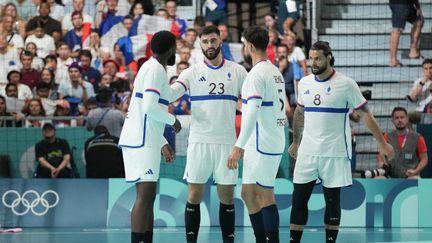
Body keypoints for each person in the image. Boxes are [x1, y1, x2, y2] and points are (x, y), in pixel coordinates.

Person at [287, 41, 394, 243]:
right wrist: (295, 142)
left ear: (329, 57)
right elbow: (300, 112)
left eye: (317, 58)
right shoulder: (305, 83)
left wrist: (381, 143)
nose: (313, 62)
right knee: (298, 200)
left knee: (332, 201)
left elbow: (366, 115)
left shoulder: (346, 84)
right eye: (311, 58)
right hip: (308, 152)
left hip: (335, 152)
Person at [169, 25, 247, 243]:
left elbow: (254, 98)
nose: (210, 45)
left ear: (220, 40)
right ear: (199, 44)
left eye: (213, 41)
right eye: (205, 42)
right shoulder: (191, 72)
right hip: (199, 142)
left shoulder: (238, 70)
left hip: (227, 144)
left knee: (227, 197)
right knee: (194, 195)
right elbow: (173, 92)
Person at [118, 30, 181, 243]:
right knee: (145, 196)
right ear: (171, 49)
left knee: (149, 196)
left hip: (146, 138)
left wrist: (162, 142)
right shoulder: (155, 70)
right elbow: (150, 108)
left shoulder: (152, 67)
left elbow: (168, 95)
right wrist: (173, 120)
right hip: (141, 140)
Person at [227, 26, 287, 243]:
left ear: (249, 46)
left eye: (244, 44)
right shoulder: (273, 70)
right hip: (268, 138)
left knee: (264, 195)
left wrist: (238, 145)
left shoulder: (255, 75)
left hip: (263, 141)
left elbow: (251, 113)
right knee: (248, 194)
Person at [377, 106, 428, 178]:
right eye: (396, 118)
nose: (399, 120)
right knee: (378, 179)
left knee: (414, 179)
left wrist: (415, 171)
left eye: (402, 117)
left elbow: (424, 159)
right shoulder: (387, 136)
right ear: (392, 120)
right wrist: (381, 163)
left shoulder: (418, 138)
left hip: (410, 176)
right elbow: (380, 155)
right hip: (390, 176)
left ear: (407, 119)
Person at [389, 0, 424, 67]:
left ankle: (413, 51)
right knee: (397, 29)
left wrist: (417, 6)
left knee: (419, 21)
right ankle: (393, 60)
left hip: (407, 3)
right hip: (399, 4)